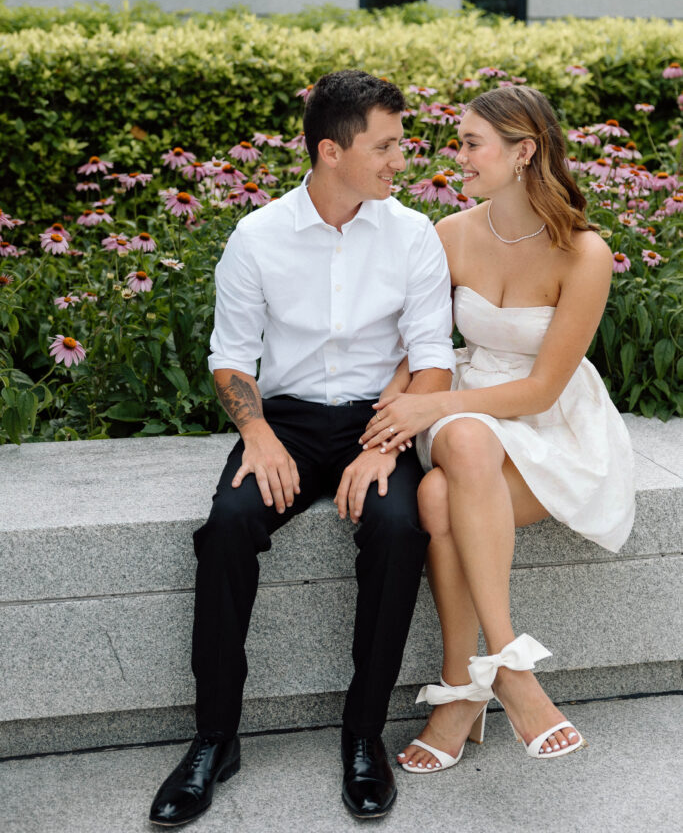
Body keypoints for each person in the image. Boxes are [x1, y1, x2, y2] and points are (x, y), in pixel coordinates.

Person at [149, 70, 455, 826]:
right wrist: (256, 433)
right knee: (225, 529)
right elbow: (230, 357)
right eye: (384, 146)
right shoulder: (258, 236)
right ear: (329, 150)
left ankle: (362, 738)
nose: (399, 159)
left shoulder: (412, 234)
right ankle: (214, 740)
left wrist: (386, 446)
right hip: (281, 419)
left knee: (396, 530)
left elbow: (432, 356)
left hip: (376, 417)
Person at [359, 85, 635, 772]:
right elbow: (412, 351)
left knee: (434, 497)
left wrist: (431, 409)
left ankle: (461, 691)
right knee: (466, 439)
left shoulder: (583, 253)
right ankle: (511, 667)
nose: (457, 156)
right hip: (464, 407)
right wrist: (387, 425)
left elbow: (543, 386)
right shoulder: (448, 235)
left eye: (470, 143)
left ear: (523, 153)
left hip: (549, 422)